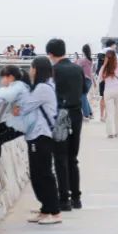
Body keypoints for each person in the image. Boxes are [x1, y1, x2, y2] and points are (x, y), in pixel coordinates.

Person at [17, 56, 62, 225]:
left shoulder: (42, 88)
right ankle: (46, 209)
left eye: (31, 67)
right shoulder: (46, 85)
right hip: (39, 135)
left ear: (36, 69)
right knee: (38, 173)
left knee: (43, 174)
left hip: (41, 135)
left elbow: (25, 106)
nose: (30, 71)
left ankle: (55, 212)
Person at [48, 38, 85, 212]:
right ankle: (76, 198)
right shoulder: (77, 68)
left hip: (60, 115)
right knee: (72, 157)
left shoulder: (53, 71)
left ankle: (64, 199)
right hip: (76, 114)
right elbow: (84, 90)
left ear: (50, 54)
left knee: (60, 157)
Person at [100, 49, 118, 139]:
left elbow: (99, 79)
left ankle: (110, 133)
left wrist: (104, 64)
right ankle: (117, 132)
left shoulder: (105, 67)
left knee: (109, 113)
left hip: (108, 91)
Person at [76, 45, 95, 121]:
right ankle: (90, 113)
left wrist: (77, 60)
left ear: (83, 51)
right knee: (84, 97)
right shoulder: (90, 60)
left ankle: (86, 115)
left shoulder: (83, 60)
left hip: (84, 80)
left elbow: (76, 68)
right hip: (89, 80)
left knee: (82, 97)